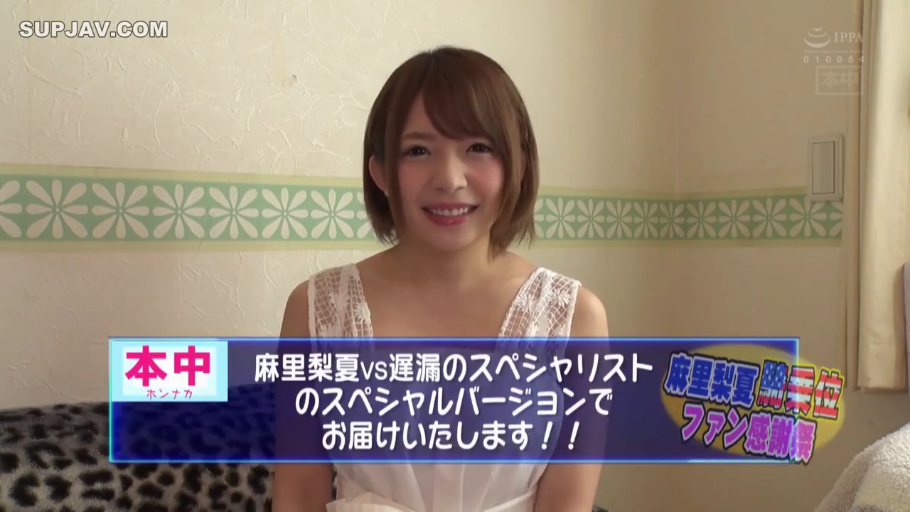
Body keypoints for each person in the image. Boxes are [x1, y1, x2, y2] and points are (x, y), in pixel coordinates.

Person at [272, 46, 609, 512]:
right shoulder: (317, 309)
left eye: (478, 148)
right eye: (418, 151)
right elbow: (298, 492)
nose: (450, 179)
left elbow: (568, 502)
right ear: (381, 172)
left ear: (519, 164)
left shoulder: (574, 318)